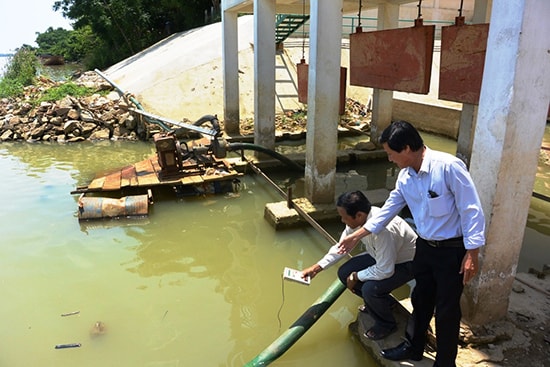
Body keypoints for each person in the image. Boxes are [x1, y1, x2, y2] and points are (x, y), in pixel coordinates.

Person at [337, 121, 486, 367]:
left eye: (391, 153)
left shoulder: (448, 167)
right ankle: (414, 347)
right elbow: (388, 210)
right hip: (425, 247)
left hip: (452, 250)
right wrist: (357, 234)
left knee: (447, 310)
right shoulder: (406, 176)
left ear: (406, 148)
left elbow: (471, 210)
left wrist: (473, 252)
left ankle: (445, 363)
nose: (389, 159)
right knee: (420, 298)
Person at [301, 190, 417, 340]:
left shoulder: (383, 231)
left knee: (370, 289)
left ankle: (386, 324)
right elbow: (341, 248)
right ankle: (384, 304)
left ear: (359, 215)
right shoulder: (358, 223)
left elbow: (385, 270)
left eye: (344, 217)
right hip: (381, 257)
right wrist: (316, 268)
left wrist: (356, 276)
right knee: (344, 272)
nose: (343, 221)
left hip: (407, 263)